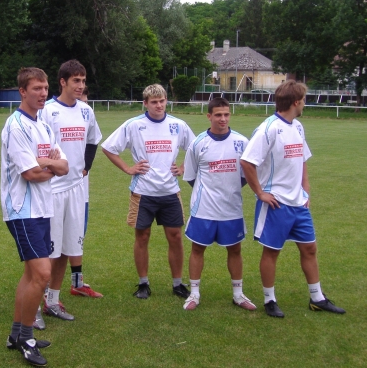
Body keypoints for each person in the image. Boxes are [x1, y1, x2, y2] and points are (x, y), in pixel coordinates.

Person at [240, 80, 345, 318]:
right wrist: (260, 193)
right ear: (296, 102)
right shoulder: (268, 128)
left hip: (299, 204)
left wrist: (305, 188)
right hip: (276, 204)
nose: (305, 104)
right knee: (272, 252)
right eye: (304, 100)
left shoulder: (297, 126)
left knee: (310, 248)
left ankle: (317, 298)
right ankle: (269, 300)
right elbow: (247, 161)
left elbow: (302, 159)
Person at [1, 67, 68, 367]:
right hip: (22, 209)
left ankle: (16, 334)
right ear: (22, 91)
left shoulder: (44, 126)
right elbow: (29, 173)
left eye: (45, 88)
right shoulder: (16, 126)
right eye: (36, 88)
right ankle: (27, 339)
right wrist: (48, 164)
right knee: (42, 274)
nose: (43, 93)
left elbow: (65, 166)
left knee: (30, 275)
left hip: (43, 207)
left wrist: (45, 163)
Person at [101, 84, 195, 300]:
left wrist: (183, 167)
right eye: (154, 102)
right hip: (142, 192)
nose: (159, 105)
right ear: (145, 103)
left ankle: (178, 283)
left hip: (170, 191)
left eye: (162, 101)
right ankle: (143, 283)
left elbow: (196, 148)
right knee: (142, 236)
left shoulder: (178, 125)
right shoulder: (134, 125)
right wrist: (128, 168)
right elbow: (108, 147)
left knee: (175, 236)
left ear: (166, 100)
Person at [38, 60, 103, 324]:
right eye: (76, 80)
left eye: (83, 80)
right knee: (47, 252)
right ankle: (38, 300)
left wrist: (86, 167)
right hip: (52, 190)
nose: (81, 85)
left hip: (77, 190)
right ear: (63, 82)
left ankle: (53, 300)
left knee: (67, 247)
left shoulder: (86, 111)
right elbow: (37, 148)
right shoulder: (47, 111)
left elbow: (93, 140)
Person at [181, 97, 256, 311]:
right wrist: (208, 192)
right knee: (197, 249)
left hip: (231, 209)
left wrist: (229, 190)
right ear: (209, 116)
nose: (223, 119)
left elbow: (247, 175)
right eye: (218, 115)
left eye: (226, 114)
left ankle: (238, 294)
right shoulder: (198, 143)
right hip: (203, 208)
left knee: (235, 249)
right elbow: (190, 176)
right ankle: (194, 294)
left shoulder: (242, 142)